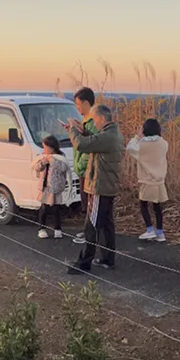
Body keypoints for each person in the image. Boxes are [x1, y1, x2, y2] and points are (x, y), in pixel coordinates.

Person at [62, 93, 122, 274]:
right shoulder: (113, 134)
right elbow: (94, 141)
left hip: (99, 187)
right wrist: (82, 131)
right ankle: (107, 258)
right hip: (107, 186)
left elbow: (82, 145)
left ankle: (84, 263)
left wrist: (73, 129)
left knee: (92, 224)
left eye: (95, 120)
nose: (94, 124)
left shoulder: (108, 137)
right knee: (106, 224)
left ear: (102, 119)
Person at [130, 118, 171, 242]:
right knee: (157, 207)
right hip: (159, 181)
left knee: (143, 204)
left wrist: (137, 136)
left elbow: (130, 148)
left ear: (145, 130)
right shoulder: (163, 144)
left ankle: (149, 229)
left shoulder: (142, 145)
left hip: (146, 180)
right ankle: (160, 233)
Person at [33, 135, 76, 239]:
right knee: (43, 208)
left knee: (56, 209)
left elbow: (63, 168)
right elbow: (36, 167)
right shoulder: (43, 156)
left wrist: (52, 160)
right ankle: (41, 228)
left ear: (51, 147)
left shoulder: (60, 157)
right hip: (45, 187)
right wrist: (43, 162)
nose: (44, 149)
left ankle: (57, 229)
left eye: (45, 147)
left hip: (56, 188)